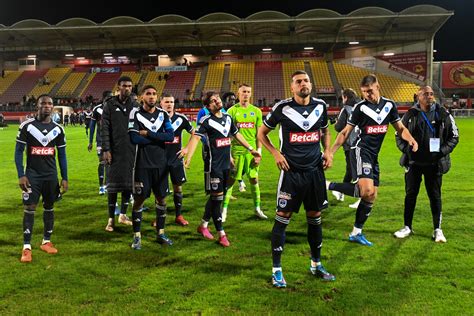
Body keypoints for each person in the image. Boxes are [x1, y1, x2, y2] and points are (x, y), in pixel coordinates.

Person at [257, 70, 335, 288]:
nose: (304, 84)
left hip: (315, 172)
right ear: (291, 87)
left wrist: (327, 150)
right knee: (283, 217)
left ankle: (316, 264)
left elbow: (325, 131)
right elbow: (261, 133)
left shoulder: (320, 106)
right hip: (291, 172)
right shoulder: (282, 108)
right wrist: (275, 153)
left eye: (307, 80)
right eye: (299, 81)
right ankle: (277, 270)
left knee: (315, 216)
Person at [328, 74, 418, 246]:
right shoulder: (359, 108)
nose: (367, 95)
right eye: (363, 92)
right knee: (366, 191)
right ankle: (326, 184)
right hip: (361, 151)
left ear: (378, 86)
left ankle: (356, 233)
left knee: (371, 196)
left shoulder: (389, 105)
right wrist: (331, 151)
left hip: (374, 155)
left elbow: (400, 128)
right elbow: (345, 132)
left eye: (369, 91)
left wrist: (411, 139)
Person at [181, 91, 261, 247]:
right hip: (214, 167)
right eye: (213, 100)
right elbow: (196, 138)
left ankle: (203, 225)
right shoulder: (206, 121)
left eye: (217, 98)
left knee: (216, 198)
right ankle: (221, 234)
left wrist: (251, 149)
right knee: (217, 200)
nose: (217, 101)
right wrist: (188, 156)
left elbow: (236, 135)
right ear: (208, 106)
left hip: (226, 165)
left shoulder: (228, 118)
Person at [393, 86, 459, 242]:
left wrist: (441, 151)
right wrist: (407, 151)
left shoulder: (443, 114)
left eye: (431, 94)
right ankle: (407, 227)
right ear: (418, 97)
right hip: (414, 163)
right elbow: (398, 136)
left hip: (435, 164)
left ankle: (437, 229)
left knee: (435, 196)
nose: (430, 96)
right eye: (426, 94)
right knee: (410, 195)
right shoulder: (410, 115)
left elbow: (454, 137)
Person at [15, 94, 68, 263]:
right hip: (32, 175)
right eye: (43, 103)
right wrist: (21, 175)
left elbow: (62, 155)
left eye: (50, 103)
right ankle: (26, 247)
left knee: (49, 206)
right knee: (30, 207)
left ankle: (46, 241)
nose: (47, 105)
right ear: (37, 106)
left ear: (53, 107)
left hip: (51, 175)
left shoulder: (58, 129)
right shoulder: (27, 126)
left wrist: (64, 177)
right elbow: (18, 152)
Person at [128, 85, 175, 249]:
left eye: (155, 94)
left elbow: (170, 136)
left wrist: (148, 134)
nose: (152, 97)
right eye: (148, 94)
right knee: (140, 199)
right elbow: (134, 138)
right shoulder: (135, 113)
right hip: (142, 165)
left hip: (161, 165)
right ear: (142, 97)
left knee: (162, 198)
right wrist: (159, 138)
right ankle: (137, 236)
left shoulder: (163, 114)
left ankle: (160, 234)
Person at [222, 84, 267, 222]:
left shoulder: (257, 111)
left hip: (252, 152)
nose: (246, 94)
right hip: (236, 150)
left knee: (254, 178)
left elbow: (260, 134)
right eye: (243, 92)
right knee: (231, 180)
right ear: (238, 94)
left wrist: (259, 152)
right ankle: (223, 210)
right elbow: (227, 134)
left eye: (248, 92)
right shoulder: (231, 111)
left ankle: (257, 208)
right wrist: (228, 154)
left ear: (251, 94)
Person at [102, 76, 138, 231]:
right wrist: (106, 149)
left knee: (128, 185)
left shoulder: (135, 105)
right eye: (124, 86)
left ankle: (123, 215)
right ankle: (111, 219)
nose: (127, 88)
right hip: (114, 151)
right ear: (118, 87)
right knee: (113, 186)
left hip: (131, 151)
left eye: (130, 86)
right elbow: (104, 129)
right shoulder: (109, 104)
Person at [159, 93, 195, 226]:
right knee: (160, 190)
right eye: (167, 102)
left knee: (178, 188)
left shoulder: (181, 118)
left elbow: (194, 133)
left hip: (176, 158)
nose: (169, 104)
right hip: (160, 159)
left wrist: (186, 148)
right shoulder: (156, 118)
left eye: (172, 102)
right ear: (161, 103)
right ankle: (159, 217)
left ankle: (178, 215)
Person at [329, 89, 361, 208]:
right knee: (351, 169)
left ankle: (360, 197)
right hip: (363, 142)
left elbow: (338, 128)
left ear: (345, 97)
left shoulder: (346, 108)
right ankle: (341, 192)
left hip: (351, 144)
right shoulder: (361, 105)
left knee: (355, 171)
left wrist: (337, 122)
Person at [88, 90, 113, 195]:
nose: (110, 99)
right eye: (108, 98)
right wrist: (90, 142)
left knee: (110, 163)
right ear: (103, 98)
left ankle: (108, 184)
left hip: (112, 140)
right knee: (102, 162)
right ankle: (101, 186)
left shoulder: (114, 109)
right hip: (100, 140)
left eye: (111, 98)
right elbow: (92, 126)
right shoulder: (97, 109)